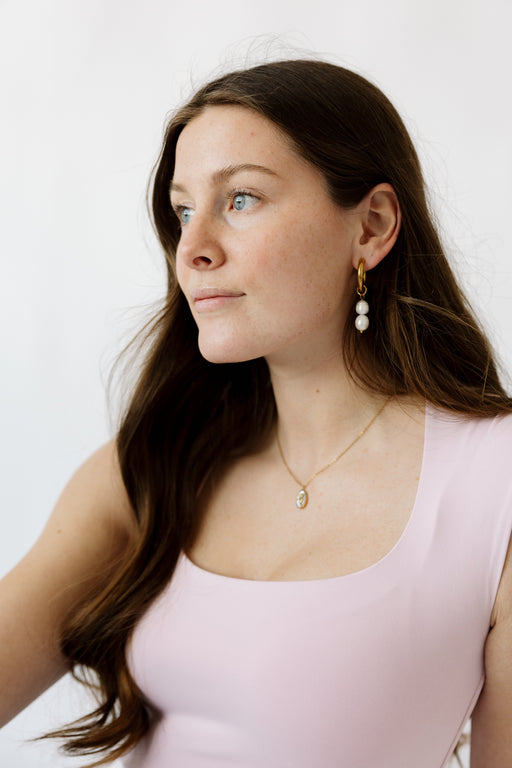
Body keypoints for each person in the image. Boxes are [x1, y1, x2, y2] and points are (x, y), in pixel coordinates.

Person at [1, 58, 511, 768]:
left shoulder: (495, 484)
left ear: (372, 226)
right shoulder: (151, 466)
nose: (193, 250)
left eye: (240, 199)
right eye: (184, 211)